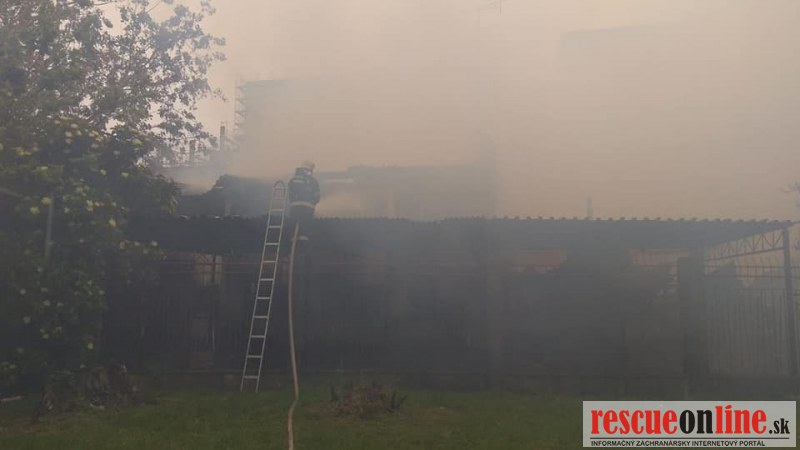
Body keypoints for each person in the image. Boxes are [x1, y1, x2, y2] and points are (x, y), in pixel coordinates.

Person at [287, 161, 320, 242]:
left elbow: (289, 193)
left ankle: (293, 238)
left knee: (294, 224)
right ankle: (303, 240)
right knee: (305, 227)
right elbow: (317, 195)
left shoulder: (293, 179)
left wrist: (293, 201)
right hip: (307, 208)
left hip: (294, 208)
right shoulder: (312, 180)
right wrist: (313, 202)